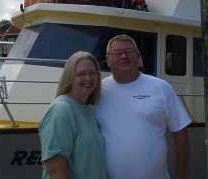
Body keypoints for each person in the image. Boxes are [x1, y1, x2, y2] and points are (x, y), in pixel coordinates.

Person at [94, 34, 192, 179]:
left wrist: (180, 176)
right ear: (108, 59)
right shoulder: (97, 91)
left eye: (129, 51)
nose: (123, 56)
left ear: (138, 56)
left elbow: (180, 133)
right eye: (117, 52)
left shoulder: (161, 87)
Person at [39, 51, 107, 179]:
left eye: (92, 73)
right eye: (82, 74)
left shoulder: (87, 109)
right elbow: (55, 169)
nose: (88, 78)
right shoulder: (61, 110)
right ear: (70, 77)